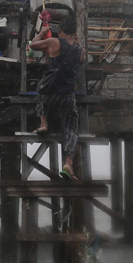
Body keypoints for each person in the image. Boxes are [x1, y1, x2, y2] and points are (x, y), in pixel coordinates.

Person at [29, 17, 84, 180]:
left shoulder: (54, 42)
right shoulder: (80, 49)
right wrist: (77, 41)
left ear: (60, 30)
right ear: (74, 32)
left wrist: (42, 33)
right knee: (71, 129)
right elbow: (81, 62)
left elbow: (32, 45)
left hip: (50, 95)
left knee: (40, 93)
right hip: (68, 96)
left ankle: (44, 123)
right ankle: (68, 163)